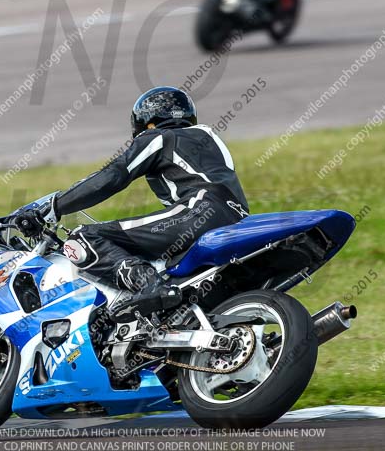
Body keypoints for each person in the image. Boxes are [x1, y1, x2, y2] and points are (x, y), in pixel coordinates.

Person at [15, 87, 250, 323]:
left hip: (200, 209)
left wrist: (56, 205)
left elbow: (113, 175)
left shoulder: (160, 138)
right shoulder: (207, 137)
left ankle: (150, 286)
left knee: (83, 237)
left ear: (147, 122)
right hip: (237, 216)